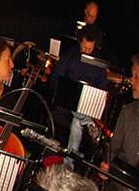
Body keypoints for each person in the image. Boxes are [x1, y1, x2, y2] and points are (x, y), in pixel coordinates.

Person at [47, 26, 110, 157]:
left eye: (90, 48)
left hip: (85, 108)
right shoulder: (69, 56)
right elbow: (55, 82)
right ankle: (90, 124)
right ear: (80, 41)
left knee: (76, 123)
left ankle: (69, 163)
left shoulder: (99, 64)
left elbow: (102, 91)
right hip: (66, 105)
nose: (86, 51)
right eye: (84, 47)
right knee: (78, 117)